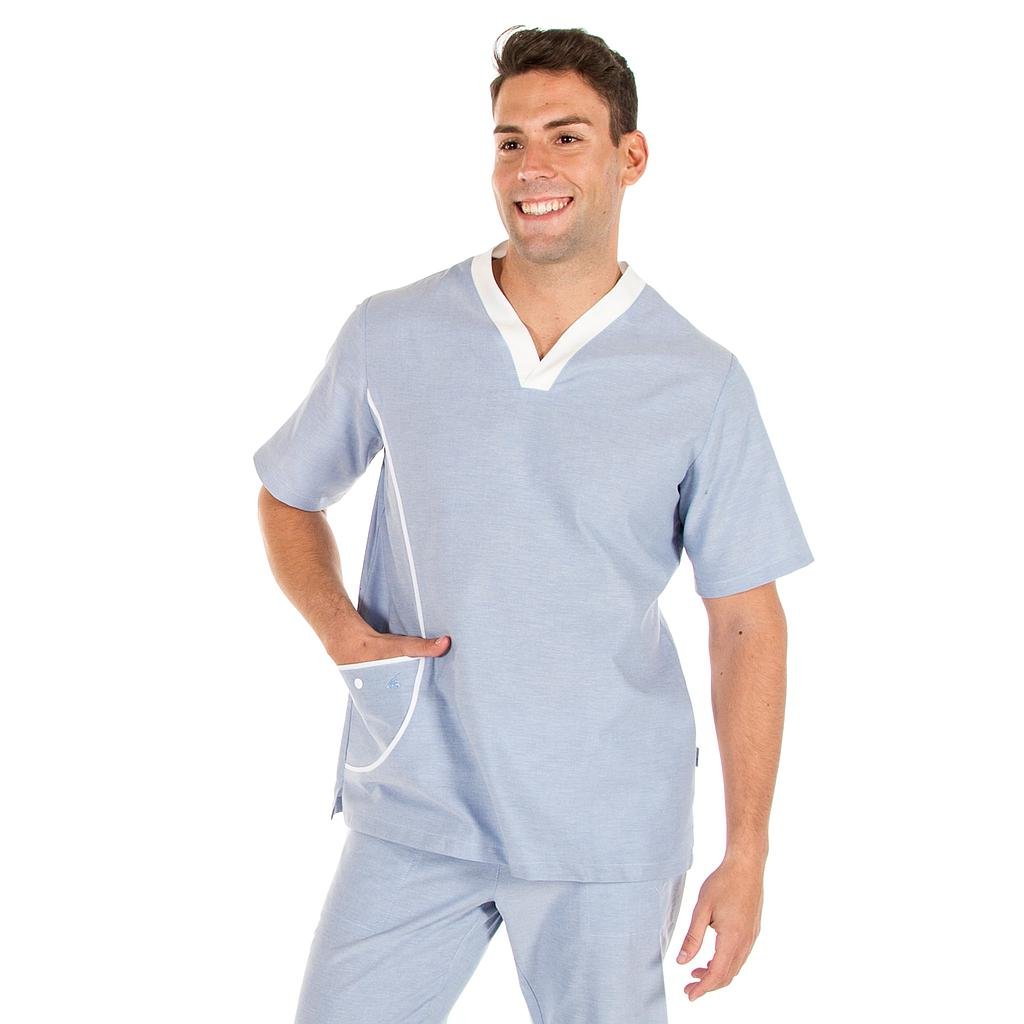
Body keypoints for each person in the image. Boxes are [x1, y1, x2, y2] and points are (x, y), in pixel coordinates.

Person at [253, 24, 814, 1024]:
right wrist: (339, 627)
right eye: (510, 141)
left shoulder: (697, 380)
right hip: (417, 801)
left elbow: (744, 620)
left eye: (566, 137)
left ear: (629, 157)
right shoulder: (394, 330)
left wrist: (748, 851)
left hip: (604, 827)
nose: (532, 167)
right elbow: (289, 493)